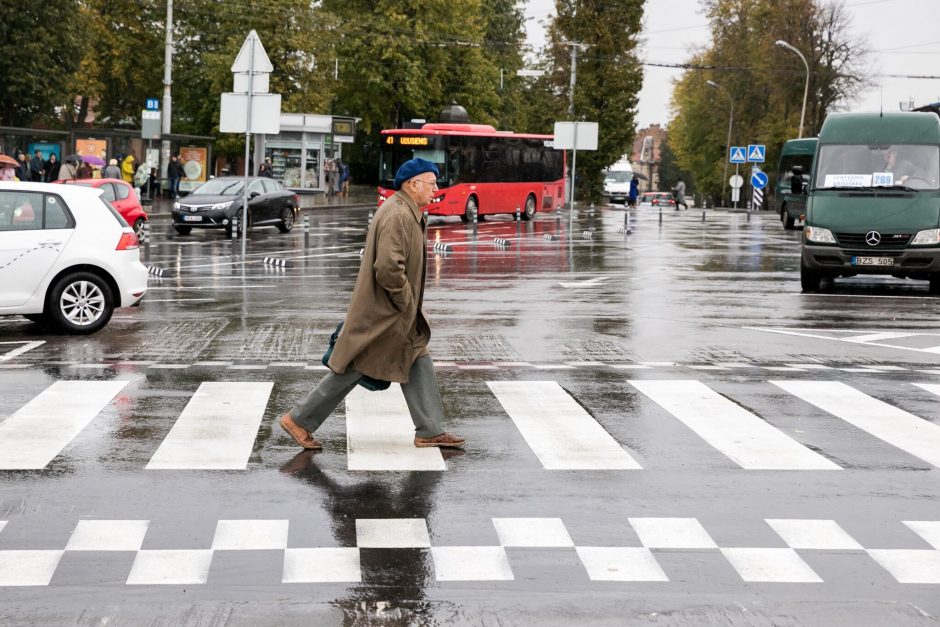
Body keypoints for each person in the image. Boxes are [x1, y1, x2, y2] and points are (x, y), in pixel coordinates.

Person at [279, 157, 465, 451]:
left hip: (395, 313)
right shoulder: (398, 214)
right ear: (413, 184)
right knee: (356, 367)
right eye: (431, 183)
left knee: (417, 356)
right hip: (385, 314)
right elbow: (389, 268)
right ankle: (299, 419)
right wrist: (407, 302)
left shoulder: (408, 211)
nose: (435, 189)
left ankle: (430, 429)